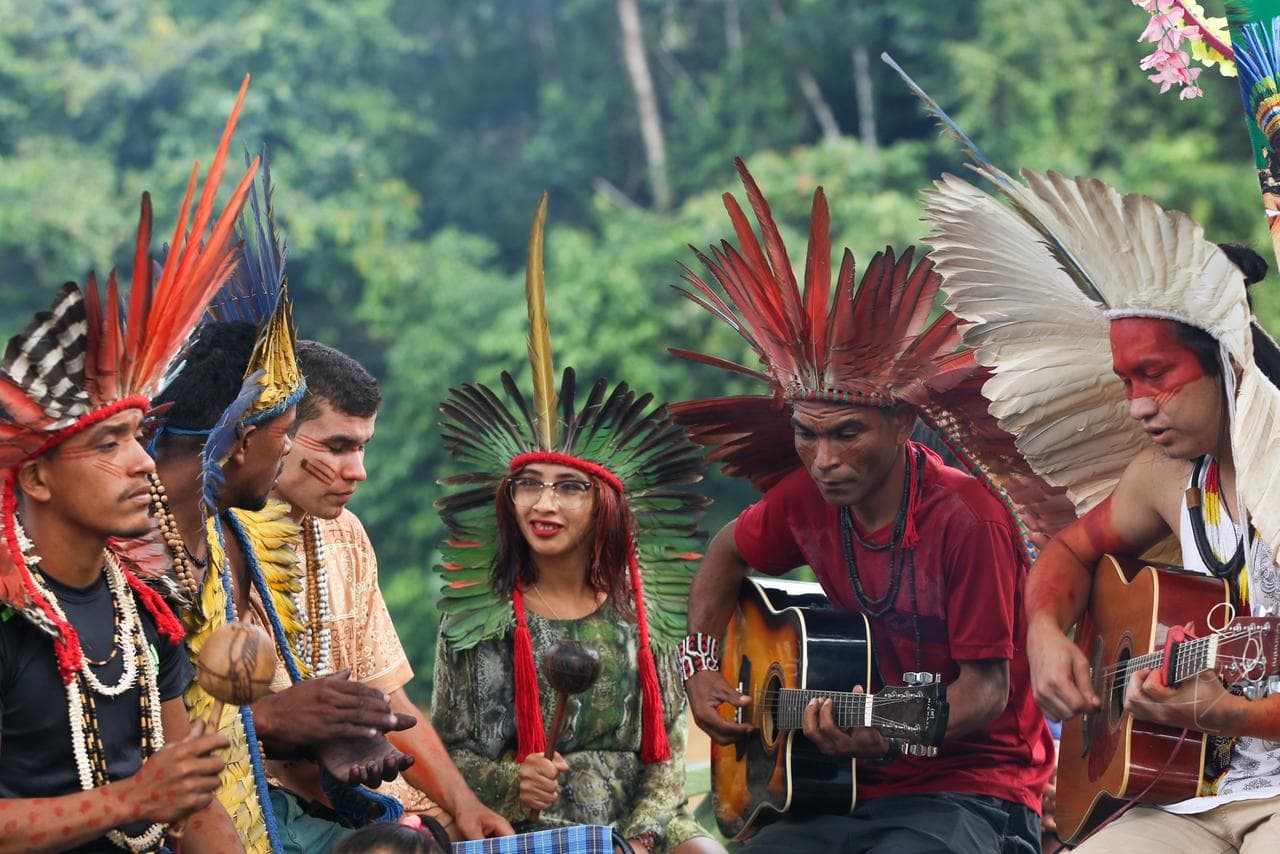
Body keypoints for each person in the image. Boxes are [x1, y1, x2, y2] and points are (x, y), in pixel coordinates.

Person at [671, 161, 1061, 853]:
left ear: (902, 425)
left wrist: (887, 730)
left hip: (976, 791)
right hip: (841, 787)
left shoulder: (968, 521)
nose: (823, 459)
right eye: (806, 435)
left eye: (847, 434)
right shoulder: (806, 496)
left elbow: (985, 693)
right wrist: (699, 665)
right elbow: (727, 552)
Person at [926, 167, 1280, 849]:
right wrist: (1045, 633)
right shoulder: (1166, 479)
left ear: (1227, 363)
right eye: (1125, 381)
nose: (1138, 405)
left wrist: (1225, 714)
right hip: (1194, 796)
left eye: (1156, 374)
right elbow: (1068, 551)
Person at [0, 83, 256, 852]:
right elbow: (149, 795)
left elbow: (190, 807)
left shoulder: (144, 613)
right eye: (108, 444)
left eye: (140, 436)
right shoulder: (11, 621)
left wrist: (167, 798)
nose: (143, 462)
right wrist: (130, 799)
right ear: (37, 476)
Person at [430, 197, 724, 854]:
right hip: (522, 829)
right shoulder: (481, 616)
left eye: (569, 488)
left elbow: (666, 755)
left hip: (635, 830)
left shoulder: (644, 612)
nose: (544, 504)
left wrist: (645, 836)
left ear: (606, 508)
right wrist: (510, 781)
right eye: (529, 485)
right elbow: (449, 750)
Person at [149, 164, 414, 853]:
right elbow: (141, 738)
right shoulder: (138, 555)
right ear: (242, 441)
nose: (290, 451)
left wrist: (321, 743)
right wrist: (274, 722)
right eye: (284, 436)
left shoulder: (226, 532)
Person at [269, 339, 513, 840]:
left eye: (361, 447)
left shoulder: (345, 534)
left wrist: (464, 805)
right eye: (337, 447)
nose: (357, 471)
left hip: (377, 800)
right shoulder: (210, 542)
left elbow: (388, 696)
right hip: (271, 806)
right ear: (276, 434)